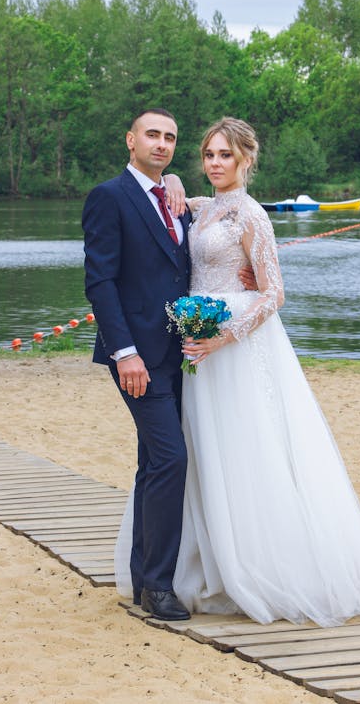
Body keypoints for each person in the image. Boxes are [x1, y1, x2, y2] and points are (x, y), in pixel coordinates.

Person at [116, 116, 360, 627]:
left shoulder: (251, 216)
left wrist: (223, 337)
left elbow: (274, 294)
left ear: (246, 160)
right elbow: (171, 198)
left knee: (247, 450)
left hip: (233, 347)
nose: (215, 163)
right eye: (209, 155)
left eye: (225, 156)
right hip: (195, 349)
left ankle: (262, 567)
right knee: (201, 454)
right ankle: (200, 563)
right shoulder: (201, 206)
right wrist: (173, 180)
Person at [83, 109, 255, 622]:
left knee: (154, 463)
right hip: (136, 357)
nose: (161, 144)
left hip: (181, 355)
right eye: (152, 135)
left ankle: (141, 577)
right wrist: (124, 352)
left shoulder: (178, 202)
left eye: (170, 139)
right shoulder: (109, 198)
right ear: (130, 139)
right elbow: (101, 282)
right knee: (171, 459)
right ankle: (159, 586)